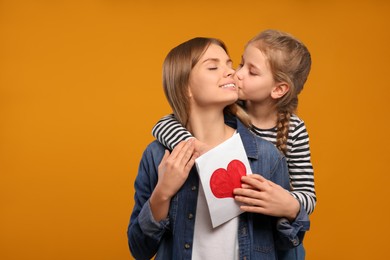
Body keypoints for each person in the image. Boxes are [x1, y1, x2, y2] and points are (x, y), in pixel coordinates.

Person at [127, 37, 309, 260]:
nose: (232, 72)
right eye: (213, 67)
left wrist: (292, 210)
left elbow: (286, 247)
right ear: (185, 87)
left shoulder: (267, 156)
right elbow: (139, 249)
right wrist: (162, 193)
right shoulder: (157, 156)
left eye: (230, 64)